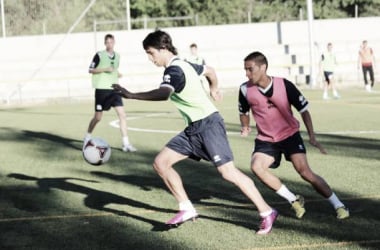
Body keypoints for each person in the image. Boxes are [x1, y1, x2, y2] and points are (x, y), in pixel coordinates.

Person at [112, 30, 278, 235]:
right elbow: (210, 70)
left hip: (208, 125)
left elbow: (164, 93)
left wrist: (131, 95)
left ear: (163, 49)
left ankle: (266, 211)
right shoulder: (186, 64)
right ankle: (186, 208)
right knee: (161, 163)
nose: (150, 58)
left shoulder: (174, 71)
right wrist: (214, 88)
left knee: (228, 172)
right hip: (193, 128)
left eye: (151, 53)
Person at [238, 51, 349, 220]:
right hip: (266, 139)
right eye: (245, 69)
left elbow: (304, 110)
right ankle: (293, 199)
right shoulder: (245, 89)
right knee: (256, 167)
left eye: (250, 69)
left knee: (305, 172)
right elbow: (243, 111)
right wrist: (245, 126)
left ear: (263, 67)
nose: (247, 73)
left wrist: (312, 136)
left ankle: (338, 204)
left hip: (290, 135)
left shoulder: (285, 85)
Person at [84, 34, 136, 152]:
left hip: (115, 89)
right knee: (98, 118)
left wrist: (117, 74)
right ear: (104, 43)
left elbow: (114, 69)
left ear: (114, 42)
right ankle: (87, 136)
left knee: (122, 115)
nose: (109, 44)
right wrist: (105, 69)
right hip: (101, 90)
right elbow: (90, 70)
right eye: (107, 42)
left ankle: (126, 144)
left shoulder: (117, 56)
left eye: (111, 42)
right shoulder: (99, 55)